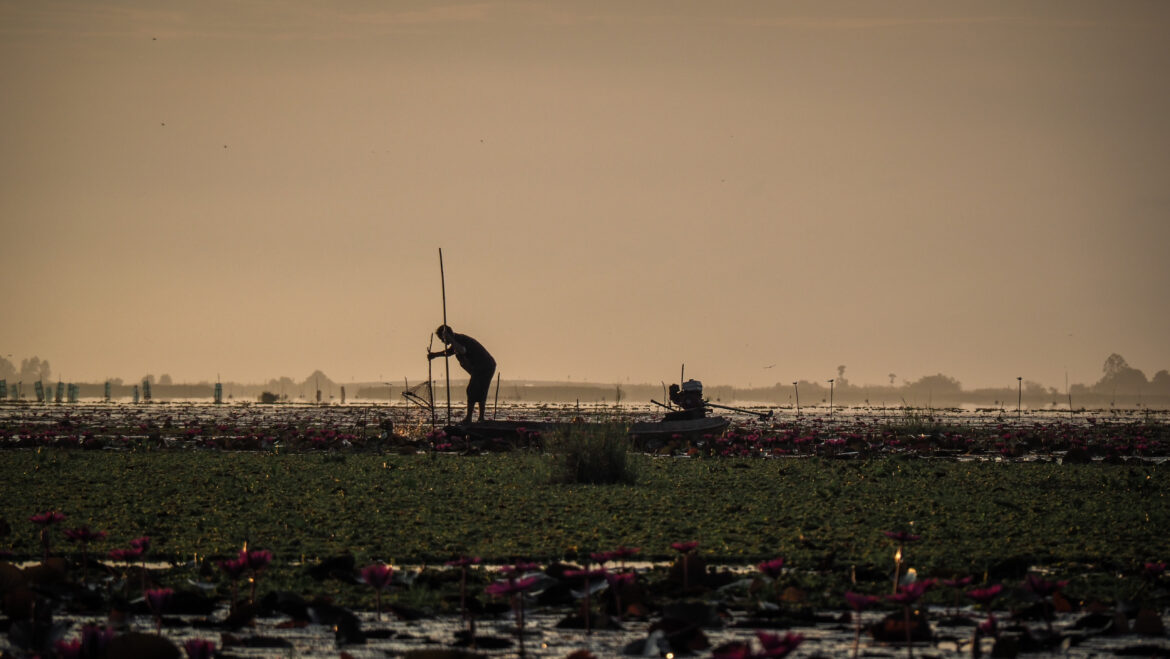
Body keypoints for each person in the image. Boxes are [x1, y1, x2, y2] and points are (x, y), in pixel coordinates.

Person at [427, 324, 496, 424]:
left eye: (442, 339)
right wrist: (434, 355)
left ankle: (470, 418)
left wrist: (450, 338)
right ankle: (480, 418)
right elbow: (448, 353)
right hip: (481, 367)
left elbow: (462, 350)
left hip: (485, 365)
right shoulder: (455, 342)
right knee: (479, 390)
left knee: (473, 390)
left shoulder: (459, 340)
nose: (442, 341)